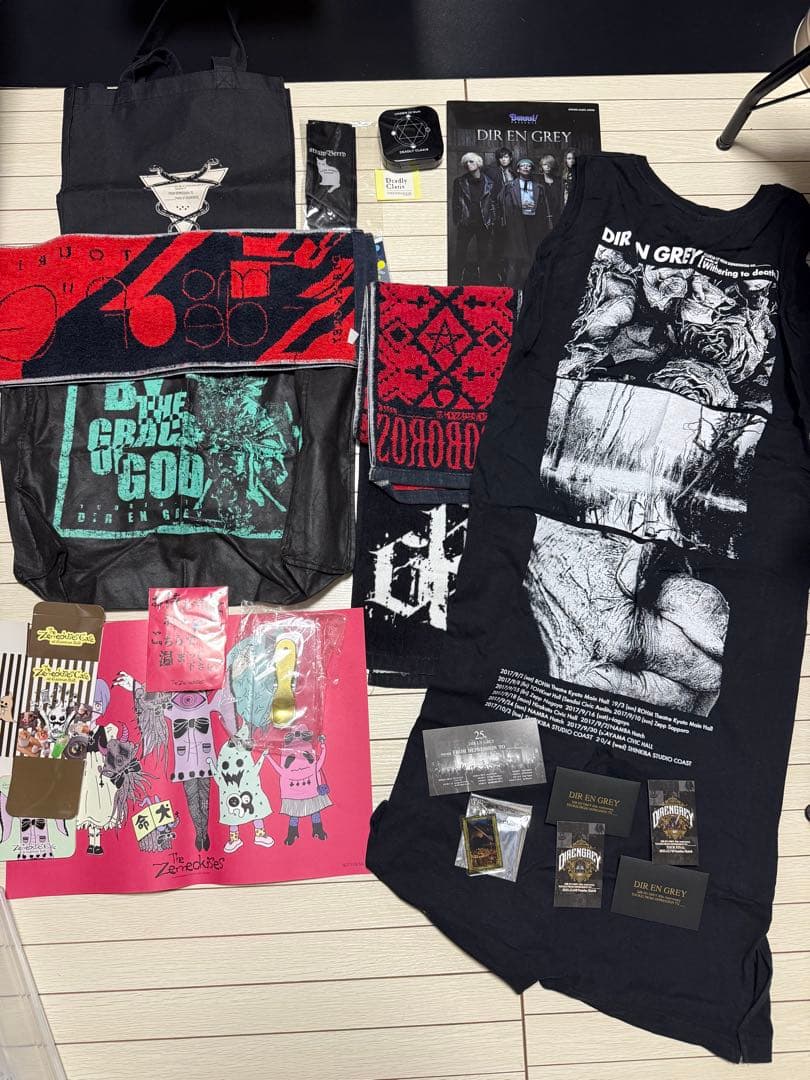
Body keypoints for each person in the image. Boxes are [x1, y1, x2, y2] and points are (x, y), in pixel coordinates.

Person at [450, 152, 494, 284]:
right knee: (460, 253)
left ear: (478, 164)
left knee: (483, 253)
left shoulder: (489, 182)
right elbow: (455, 203)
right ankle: (456, 282)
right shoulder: (459, 182)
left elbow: (492, 203)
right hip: (466, 222)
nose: (468, 164)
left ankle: (484, 282)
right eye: (466, 163)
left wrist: (491, 220)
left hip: (484, 222)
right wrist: (458, 220)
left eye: (471, 161)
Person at [501, 158, 543, 288]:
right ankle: (510, 290)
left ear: (531, 169)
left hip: (533, 225)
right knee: (515, 258)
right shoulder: (510, 186)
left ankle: (528, 288)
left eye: (528, 166)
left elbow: (543, 209)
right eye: (522, 166)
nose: (525, 167)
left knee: (530, 257)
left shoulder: (538, 187)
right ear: (518, 170)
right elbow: (503, 206)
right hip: (516, 226)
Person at [485, 147, 516, 283]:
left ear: (510, 158)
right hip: (497, 211)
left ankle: (509, 274)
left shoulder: (514, 172)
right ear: (498, 159)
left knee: (511, 243)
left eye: (506, 157)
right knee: (498, 243)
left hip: (513, 212)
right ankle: (496, 275)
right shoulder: (492, 172)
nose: (504, 159)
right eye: (501, 157)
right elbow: (488, 192)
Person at [539, 154, 563, 231]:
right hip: (542, 215)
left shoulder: (558, 181)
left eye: (549, 164)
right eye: (545, 164)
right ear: (541, 166)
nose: (547, 167)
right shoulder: (538, 180)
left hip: (557, 214)